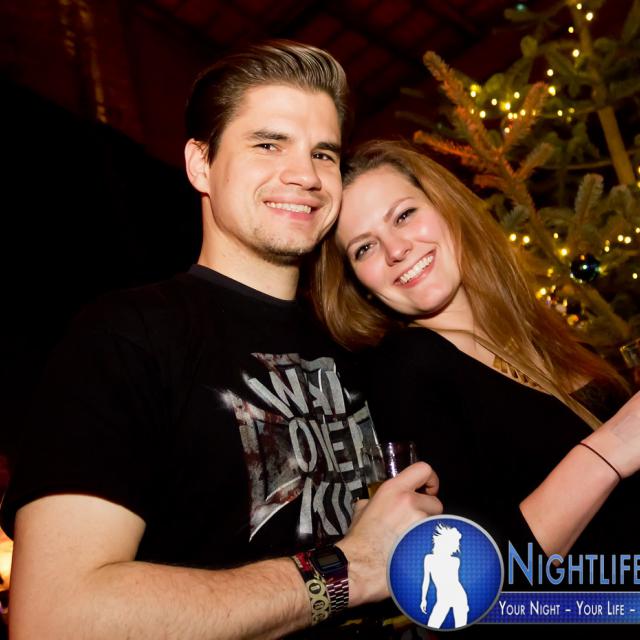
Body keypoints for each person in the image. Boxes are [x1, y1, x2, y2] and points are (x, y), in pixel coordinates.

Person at [1, 46, 443, 640]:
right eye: (268, 144)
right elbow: (54, 619)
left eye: (323, 153)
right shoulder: (126, 337)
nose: (306, 175)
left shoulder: (362, 340)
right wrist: (350, 569)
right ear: (200, 165)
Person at [311, 139, 640, 566]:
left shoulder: (534, 328)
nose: (396, 250)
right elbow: (474, 570)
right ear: (359, 284)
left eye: (404, 215)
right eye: (364, 248)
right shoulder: (407, 366)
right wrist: (612, 447)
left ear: (447, 209)